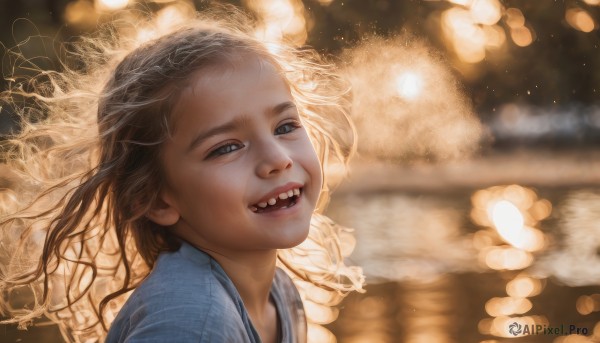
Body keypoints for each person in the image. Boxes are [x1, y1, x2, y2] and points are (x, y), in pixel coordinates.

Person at [0, 6, 363, 343]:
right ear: (154, 198)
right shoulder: (191, 322)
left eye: (284, 127)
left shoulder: (279, 291)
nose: (277, 158)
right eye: (226, 147)